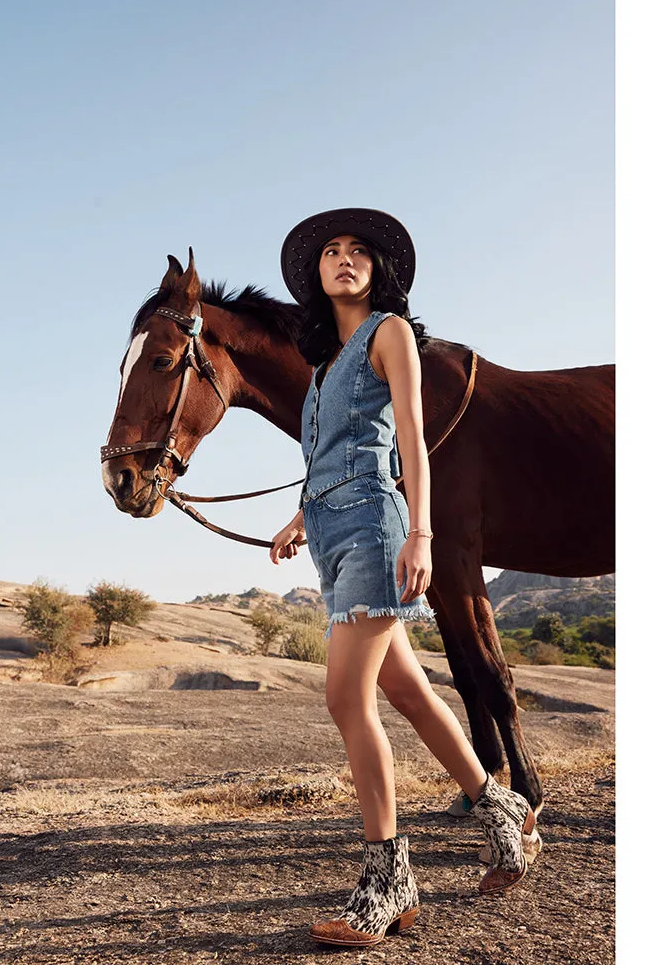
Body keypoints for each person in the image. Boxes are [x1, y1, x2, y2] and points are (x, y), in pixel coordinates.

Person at [270, 208, 542, 947]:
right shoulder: (325, 363)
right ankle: (500, 806)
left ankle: (389, 880)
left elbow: (412, 439)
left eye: (359, 250)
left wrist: (420, 531)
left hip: (374, 528)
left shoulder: (390, 332)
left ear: (379, 270)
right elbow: (329, 450)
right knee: (409, 692)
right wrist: (300, 516)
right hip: (329, 531)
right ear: (317, 275)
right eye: (332, 251)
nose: (345, 259)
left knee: (344, 698)